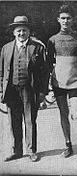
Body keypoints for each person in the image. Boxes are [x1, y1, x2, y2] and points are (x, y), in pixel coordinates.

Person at [46, 5, 77, 165]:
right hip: (58, 83)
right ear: (58, 20)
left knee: (76, 115)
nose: (66, 21)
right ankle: (68, 145)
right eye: (63, 18)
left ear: (73, 19)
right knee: (63, 114)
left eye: (68, 18)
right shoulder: (52, 40)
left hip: (75, 83)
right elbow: (50, 63)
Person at [0, 16, 49, 162]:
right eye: (18, 31)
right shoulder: (6, 48)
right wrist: (1, 91)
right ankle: (17, 150)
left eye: (24, 30)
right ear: (14, 32)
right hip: (12, 90)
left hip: (30, 89)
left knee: (30, 120)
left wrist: (42, 92)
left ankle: (31, 150)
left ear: (29, 31)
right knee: (14, 121)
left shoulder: (38, 47)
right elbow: (1, 72)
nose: (21, 33)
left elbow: (45, 72)